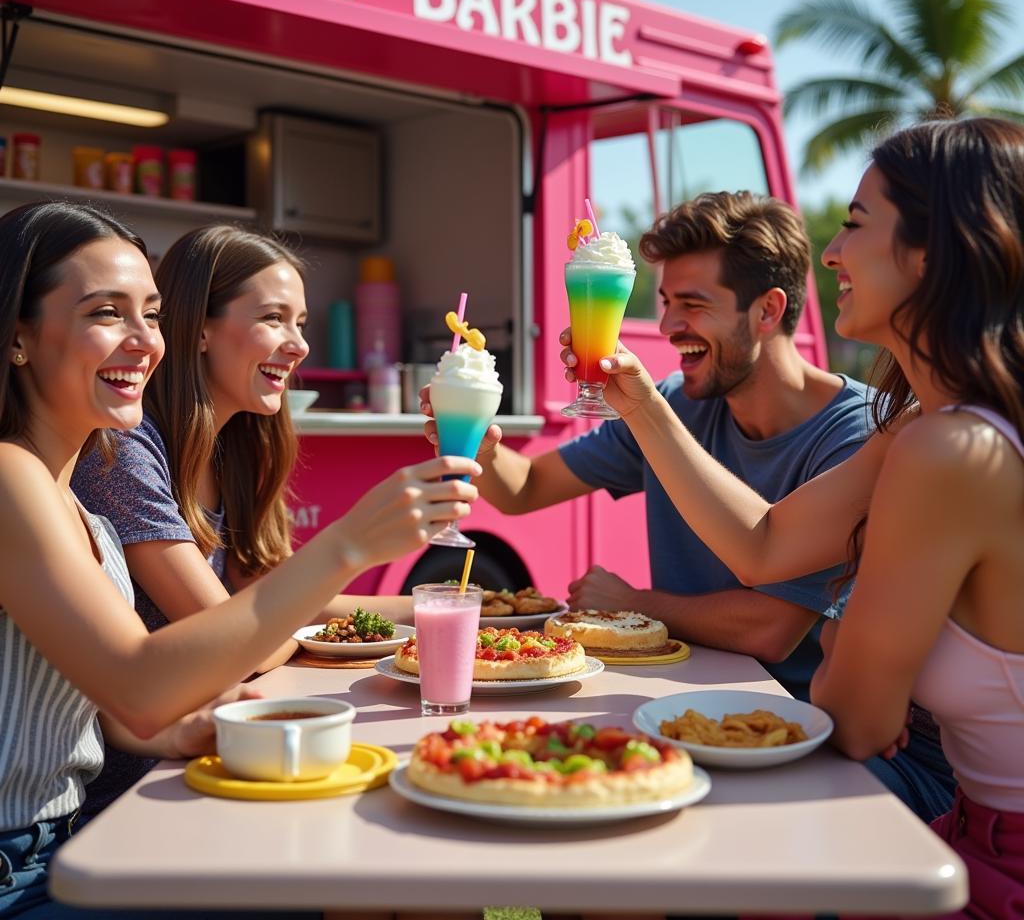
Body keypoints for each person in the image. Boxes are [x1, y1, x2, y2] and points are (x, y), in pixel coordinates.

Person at [570, 119, 1023, 919]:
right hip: (972, 832)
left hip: (1000, 862)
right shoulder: (922, 427)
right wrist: (640, 402)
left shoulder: (950, 450)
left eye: (854, 224)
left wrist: (851, 655)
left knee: (634, 854)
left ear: (932, 252)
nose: (832, 253)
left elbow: (850, 717)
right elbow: (764, 544)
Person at [0, 201, 480, 918]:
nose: (143, 342)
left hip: (65, 844)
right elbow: (138, 682)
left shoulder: (76, 501)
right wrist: (348, 544)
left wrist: (188, 729)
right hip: (28, 872)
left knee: (377, 868)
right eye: (106, 313)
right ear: (17, 337)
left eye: (152, 315)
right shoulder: (13, 476)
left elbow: (112, 710)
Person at [423, 189, 953, 823]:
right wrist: (473, 432)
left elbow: (770, 627)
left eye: (693, 305)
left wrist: (637, 605)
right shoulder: (676, 400)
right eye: (665, 301)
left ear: (768, 310)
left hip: (782, 729)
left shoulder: (863, 431)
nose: (668, 325)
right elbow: (525, 490)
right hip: (677, 712)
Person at [70, 224, 412, 818]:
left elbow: (272, 606)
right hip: (139, 790)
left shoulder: (236, 446)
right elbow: (235, 639)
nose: (299, 345)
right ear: (199, 329)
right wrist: (293, 615)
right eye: (275, 318)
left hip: (214, 753)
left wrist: (461, 608)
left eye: (301, 323)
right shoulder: (124, 448)